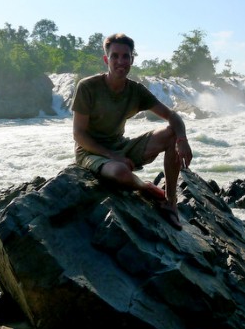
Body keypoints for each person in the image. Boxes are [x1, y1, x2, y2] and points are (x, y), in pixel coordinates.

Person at [72, 33, 193, 230]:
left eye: (125, 56)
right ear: (106, 59)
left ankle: (171, 203)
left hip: (120, 146)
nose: (121, 61)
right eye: (115, 56)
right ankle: (145, 187)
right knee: (120, 171)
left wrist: (182, 139)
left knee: (171, 133)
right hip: (91, 152)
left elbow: (172, 116)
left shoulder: (136, 90)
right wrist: (112, 156)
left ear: (132, 59)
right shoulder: (88, 87)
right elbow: (79, 134)